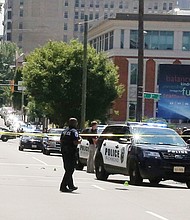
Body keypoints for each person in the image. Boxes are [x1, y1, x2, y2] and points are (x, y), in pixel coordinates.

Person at [60, 118, 82, 193]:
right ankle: (63, 186)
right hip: (71, 152)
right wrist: (80, 141)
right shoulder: (74, 131)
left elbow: (61, 141)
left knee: (67, 169)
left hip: (64, 152)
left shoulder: (64, 131)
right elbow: (75, 142)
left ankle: (71, 185)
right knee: (70, 169)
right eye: (76, 123)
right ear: (74, 123)